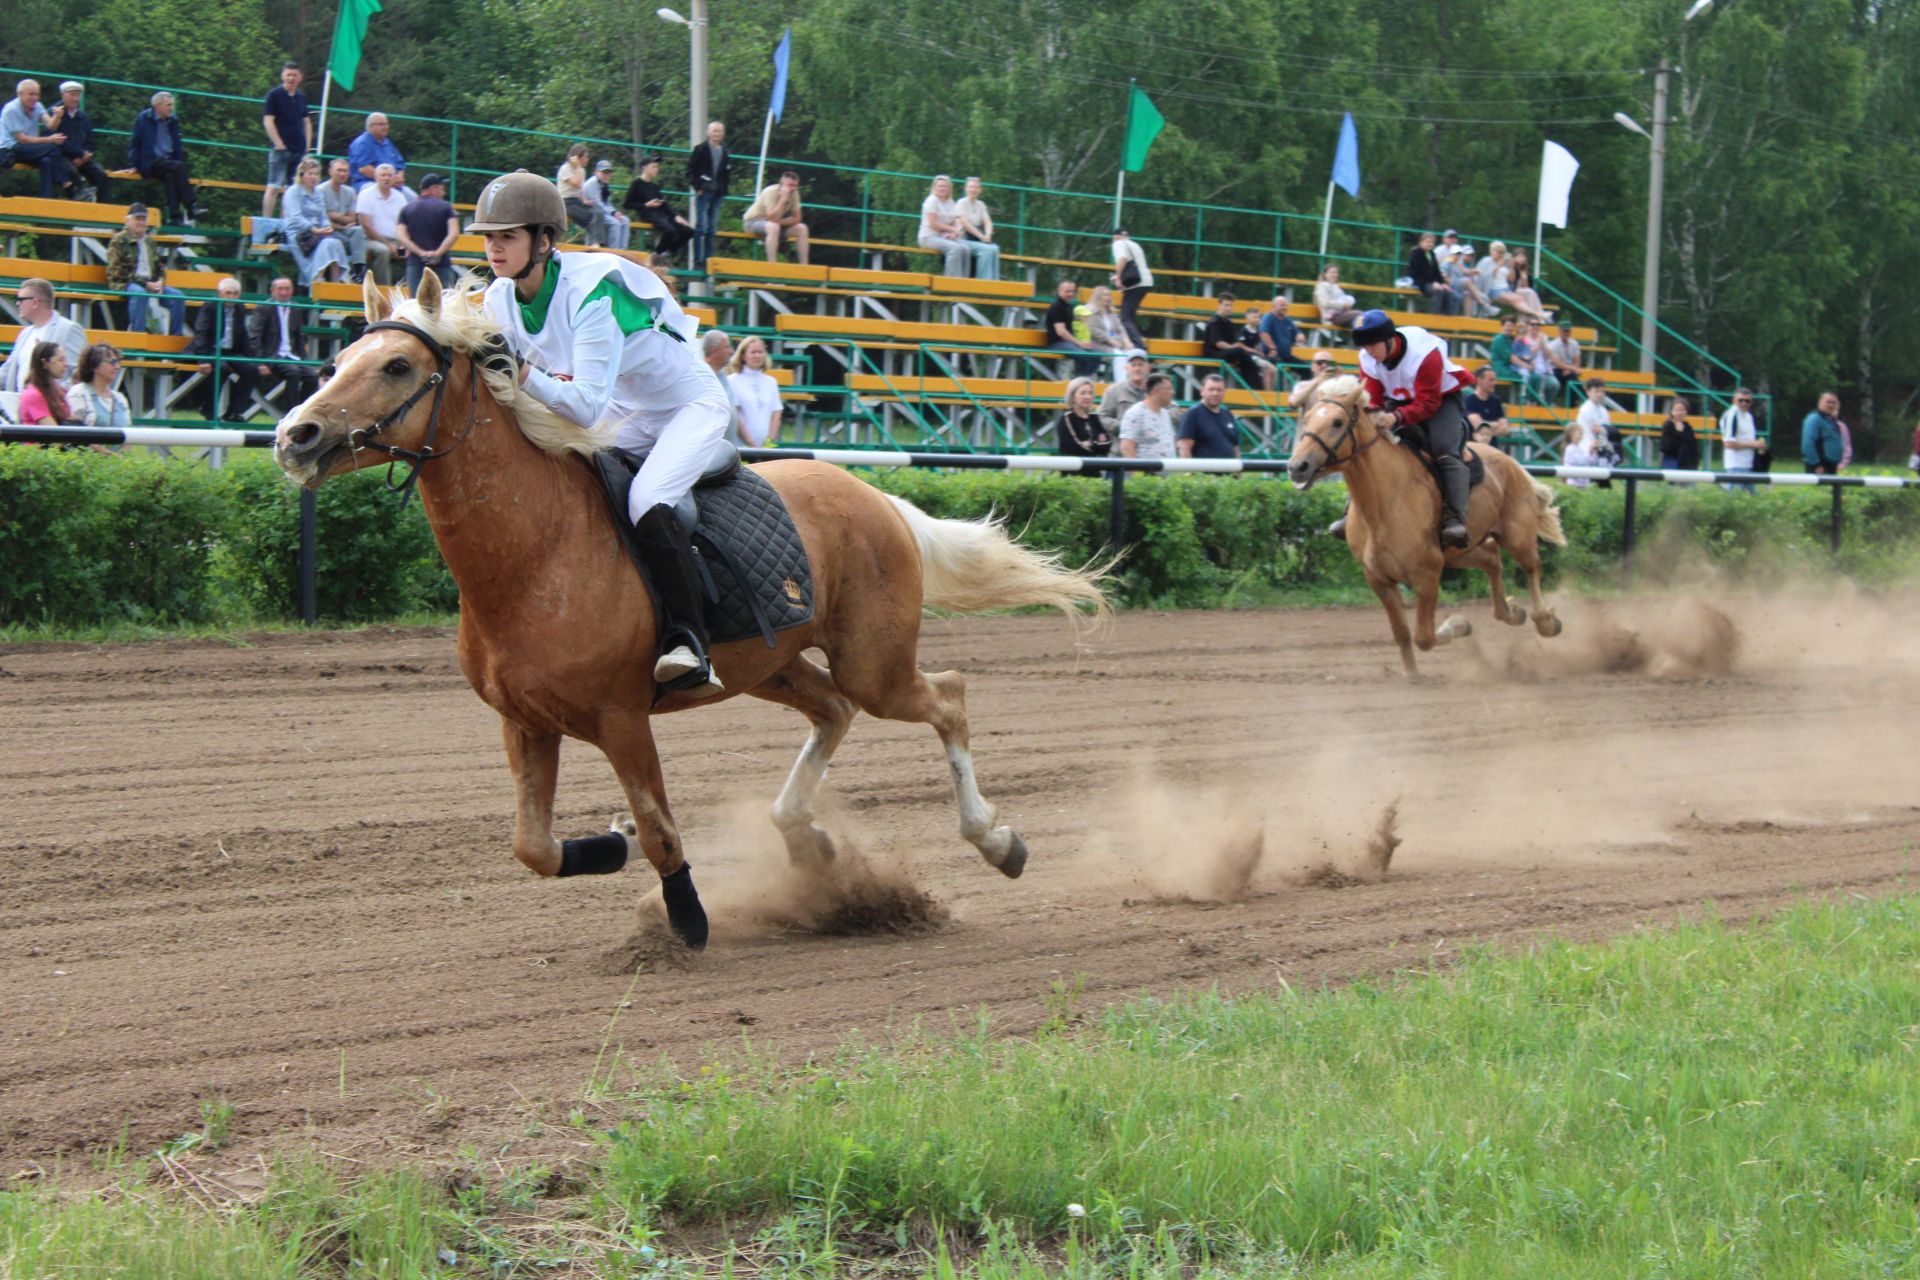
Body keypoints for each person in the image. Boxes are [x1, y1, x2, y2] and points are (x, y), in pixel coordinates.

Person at [468, 171, 731, 694]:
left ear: (543, 241)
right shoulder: (499, 297)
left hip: (688, 406)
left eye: (507, 237)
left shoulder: (591, 296)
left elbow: (584, 408)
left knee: (647, 499)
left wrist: (521, 372)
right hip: (628, 408)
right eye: (489, 237)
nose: (494, 248)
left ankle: (690, 641)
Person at [1351, 310, 1476, 548]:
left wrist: (1395, 418)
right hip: (1398, 401)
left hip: (1441, 400)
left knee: (1443, 450)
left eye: (1372, 346)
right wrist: (1377, 415)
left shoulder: (1425, 354)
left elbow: (1428, 404)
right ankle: (1351, 511)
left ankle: (1455, 519)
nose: (1369, 353)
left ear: (1390, 339)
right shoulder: (1367, 358)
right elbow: (1374, 398)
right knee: (1368, 447)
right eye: (1365, 347)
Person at [106, 203, 187, 335]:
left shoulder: (150, 242)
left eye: (143, 219)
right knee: (140, 294)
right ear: (128, 220)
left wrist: (160, 282)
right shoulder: (118, 240)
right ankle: (138, 337)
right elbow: (117, 271)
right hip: (125, 283)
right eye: (137, 219)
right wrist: (145, 284)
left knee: (178, 297)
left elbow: (159, 267)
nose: (141, 222)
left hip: (150, 283)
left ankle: (175, 339)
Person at [127, 91, 207, 225]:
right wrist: (133, 164)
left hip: (168, 161)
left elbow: (177, 145)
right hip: (150, 161)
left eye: (172, 105)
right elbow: (135, 142)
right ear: (158, 106)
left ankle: (174, 217)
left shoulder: (173, 121)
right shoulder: (144, 118)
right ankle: (191, 206)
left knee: (171, 176)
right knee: (177, 166)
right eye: (169, 105)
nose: (172, 108)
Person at [187, 277, 259, 421]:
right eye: (227, 293)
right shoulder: (210, 307)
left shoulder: (240, 308)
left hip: (231, 351)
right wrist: (203, 359)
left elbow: (243, 334)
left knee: (251, 369)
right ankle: (209, 409)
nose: (231, 297)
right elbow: (201, 333)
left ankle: (233, 411)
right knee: (222, 368)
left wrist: (252, 357)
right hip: (210, 349)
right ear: (219, 293)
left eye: (235, 293)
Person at [0, 278, 87, 394]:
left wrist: (54, 397)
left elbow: (79, 372)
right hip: (20, 403)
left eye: (21, 299)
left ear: (35, 302)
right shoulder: (25, 333)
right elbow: (8, 369)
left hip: (51, 405)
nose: (17, 303)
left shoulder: (68, 329)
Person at [3, 79, 80, 201]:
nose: (34, 98)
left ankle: (46, 200)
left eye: (37, 94)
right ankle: (69, 186)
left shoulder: (37, 106)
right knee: (52, 148)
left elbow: (51, 125)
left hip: (29, 149)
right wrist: (49, 139)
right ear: (20, 94)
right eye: (31, 94)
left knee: (47, 161)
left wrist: (57, 116)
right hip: (9, 149)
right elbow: (22, 139)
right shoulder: (11, 109)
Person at [282, 157, 353, 283]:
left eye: (316, 174)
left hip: (318, 233)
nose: (313, 177)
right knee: (327, 243)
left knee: (334, 242)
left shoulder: (318, 193)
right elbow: (295, 217)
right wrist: (313, 229)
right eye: (310, 174)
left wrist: (326, 227)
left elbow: (323, 216)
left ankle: (337, 281)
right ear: (302, 175)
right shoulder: (293, 191)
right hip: (299, 233)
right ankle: (316, 279)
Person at [247, 275, 316, 404]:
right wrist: (260, 362)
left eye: (287, 289)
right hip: (272, 356)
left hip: (291, 356)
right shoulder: (263, 308)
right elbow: (255, 336)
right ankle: (291, 412)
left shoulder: (296, 308)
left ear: (292, 290)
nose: (284, 292)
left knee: (313, 376)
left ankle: (302, 408)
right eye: (280, 289)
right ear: (272, 291)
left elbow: (299, 337)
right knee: (293, 372)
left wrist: (303, 359)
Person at [261, 62, 311, 218]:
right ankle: (266, 222)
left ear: (300, 78)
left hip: (298, 151)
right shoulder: (274, 95)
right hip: (280, 150)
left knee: (292, 191)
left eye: (294, 75)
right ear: (283, 75)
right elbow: (268, 121)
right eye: (288, 74)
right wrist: (279, 144)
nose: (291, 78)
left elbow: (307, 122)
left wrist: (307, 148)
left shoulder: (301, 97)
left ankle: (286, 225)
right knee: (273, 186)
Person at [625, 154, 694, 264]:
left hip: (661, 215)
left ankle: (667, 253)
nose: (656, 169)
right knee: (670, 230)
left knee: (689, 231)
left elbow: (664, 205)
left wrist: (676, 216)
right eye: (653, 166)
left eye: (657, 167)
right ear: (644, 168)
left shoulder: (654, 186)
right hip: (648, 214)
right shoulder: (636, 184)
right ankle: (657, 254)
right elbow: (628, 203)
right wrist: (646, 204)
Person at [48, 81, 110, 202]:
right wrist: (81, 153)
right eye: (72, 95)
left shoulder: (83, 117)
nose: (76, 99)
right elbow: (58, 140)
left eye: (78, 95)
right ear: (63, 95)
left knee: (101, 175)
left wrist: (86, 154)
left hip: (83, 157)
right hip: (61, 156)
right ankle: (77, 206)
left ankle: (103, 210)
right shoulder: (54, 114)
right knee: (71, 171)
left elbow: (91, 141)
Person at [397, 173, 459, 291]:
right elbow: (454, 234)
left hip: (416, 263)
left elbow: (400, 236)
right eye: (441, 189)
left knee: (416, 304)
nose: (443, 193)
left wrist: (421, 253)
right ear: (433, 188)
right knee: (445, 303)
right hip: (441, 263)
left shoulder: (406, 209)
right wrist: (438, 253)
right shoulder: (447, 207)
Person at [316, 158, 369, 281]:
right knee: (337, 239)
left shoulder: (349, 192)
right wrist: (341, 221)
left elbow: (352, 219)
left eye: (345, 171)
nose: (342, 174)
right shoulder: (321, 190)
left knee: (358, 230)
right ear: (330, 171)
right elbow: (322, 219)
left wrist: (334, 215)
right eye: (339, 170)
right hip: (327, 232)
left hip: (344, 230)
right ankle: (341, 278)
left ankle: (359, 270)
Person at [354, 164, 407, 285]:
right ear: (376, 177)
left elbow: (405, 225)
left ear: (394, 178)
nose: (386, 178)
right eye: (383, 175)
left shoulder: (400, 198)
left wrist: (405, 245)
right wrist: (388, 245)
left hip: (396, 240)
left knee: (415, 252)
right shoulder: (366, 194)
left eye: (389, 175)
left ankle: (409, 290)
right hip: (371, 240)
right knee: (383, 251)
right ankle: (383, 290)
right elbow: (366, 226)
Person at [687, 120, 730, 270]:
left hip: (718, 193)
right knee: (701, 227)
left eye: (719, 131)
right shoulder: (700, 149)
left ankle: (709, 260)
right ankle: (698, 261)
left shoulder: (725, 151)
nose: (717, 134)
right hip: (704, 191)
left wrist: (724, 190)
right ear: (708, 132)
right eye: (714, 131)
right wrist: (697, 186)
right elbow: (690, 170)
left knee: (712, 228)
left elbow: (726, 173)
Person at [742, 170, 809, 265]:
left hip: (773, 225)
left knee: (802, 228)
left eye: (795, 185)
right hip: (752, 222)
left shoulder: (794, 194)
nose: (793, 189)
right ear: (782, 185)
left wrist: (779, 221)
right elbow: (771, 216)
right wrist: (782, 200)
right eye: (790, 185)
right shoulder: (769, 192)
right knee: (773, 227)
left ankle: (804, 267)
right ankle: (772, 266)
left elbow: (797, 218)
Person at [726, 335, 783, 447]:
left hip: (766, 448)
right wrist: (751, 444)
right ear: (743, 355)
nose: (757, 355)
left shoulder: (771, 382)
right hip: (741, 446)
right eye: (753, 352)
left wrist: (769, 442)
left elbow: (776, 414)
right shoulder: (732, 381)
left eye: (760, 352)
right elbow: (735, 415)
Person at [1203, 292, 1266, 390]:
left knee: (1247, 358)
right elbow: (1218, 343)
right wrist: (1235, 347)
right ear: (1219, 305)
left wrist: (1237, 346)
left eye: (1230, 305)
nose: (1228, 308)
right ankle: (1255, 389)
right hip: (1214, 353)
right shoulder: (1214, 322)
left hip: (1227, 352)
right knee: (1241, 352)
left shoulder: (1228, 323)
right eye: (1226, 305)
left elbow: (1233, 342)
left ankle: (1256, 389)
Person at [1078, 283, 1142, 380]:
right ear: (1098, 296)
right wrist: (1110, 341)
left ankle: (1135, 382)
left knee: (1135, 353)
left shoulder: (1111, 313)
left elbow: (1120, 328)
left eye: (1108, 295)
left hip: (1116, 342)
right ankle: (1122, 384)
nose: (1107, 297)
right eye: (1104, 295)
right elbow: (1094, 330)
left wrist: (1127, 341)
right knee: (1119, 356)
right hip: (1098, 344)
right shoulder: (1089, 311)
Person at [918, 175, 974, 277]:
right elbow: (933, 224)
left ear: (949, 188)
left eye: (945, 186)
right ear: (934, 187)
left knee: (965, 249)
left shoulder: (950, 202)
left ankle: (964, 281)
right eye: (940, 186)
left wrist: (954, 233)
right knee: (954, 248)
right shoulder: (931, 200)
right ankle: (950, 281)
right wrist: (952, 229)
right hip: (928, 237)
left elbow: (955, 221)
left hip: (944, 237)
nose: (942, 188)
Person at [1042, 278, 1099, 378]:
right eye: (1067, 291)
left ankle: (1087, 379)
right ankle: (1082, 381)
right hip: (1056, 343)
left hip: (1068, 342)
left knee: (1096, 354)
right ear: (1059, 291)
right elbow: (1061, 332)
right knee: (1083, 355)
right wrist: (1079, 343)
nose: (1071, 294)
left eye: (1072, 291)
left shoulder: (1068, 306)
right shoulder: (1057, 306)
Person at [1178, 374, 1241, 459]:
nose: (1215, 393)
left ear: (1224, 392)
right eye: (1211, 389)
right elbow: (1185, 447)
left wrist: (1238, 470)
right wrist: (1189, 472)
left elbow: (1235, 447)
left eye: (1219, 390)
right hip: (1203, 471)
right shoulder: (1193, 414)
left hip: (1229, 470)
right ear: (1202, 391)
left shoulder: (1227, 414)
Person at [1110, 227, 1153, 347]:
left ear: (1114, 237)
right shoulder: (1134, 244)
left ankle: (1138, 345)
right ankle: (1135, 341)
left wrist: (1118, 277)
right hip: (1146, 281)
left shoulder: (1118, 244)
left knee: (1125, 318)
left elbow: (1122, 258)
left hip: (1135, 283)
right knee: (1129, 316)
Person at [1118, 373, 1177, 460]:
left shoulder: (1165, 414)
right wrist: (1138, 472)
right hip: (1146, 472)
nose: (1173, 393)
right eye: (1169, 389)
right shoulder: (1135, 413)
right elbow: (1126, 447)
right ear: (1156, 391)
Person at [71, 344, 131, 430]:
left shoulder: (120, 399)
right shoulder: (78, 394)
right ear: (95, 366)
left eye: (118, 362)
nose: (117, 367)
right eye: (112, 362)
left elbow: (128, 435)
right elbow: (74, 431)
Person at [555, 144, 604, 245]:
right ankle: (594, 244)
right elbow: (576, 183)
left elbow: (579, 188)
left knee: (599, 212)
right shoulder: (565, 168)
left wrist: (584, 200)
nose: (587, 159)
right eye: (586, 156)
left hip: (576, 200)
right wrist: (577, 166)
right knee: (589, 217)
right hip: (565, 202)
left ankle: (599, 242)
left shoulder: (581, 170)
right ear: (578, 157)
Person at [953, 177, 1000, 279]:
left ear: (979, 189)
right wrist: (982, 237)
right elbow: (965, 224)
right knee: (986, 250)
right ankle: (983, 282)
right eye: (970, 187)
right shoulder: (961, 203)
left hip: (976, 239)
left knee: (995, 248)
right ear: (966, 188)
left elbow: (988, 222)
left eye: (975, 187)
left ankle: (994, 282)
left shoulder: (980, 204)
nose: (973, 190)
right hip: (962, 239)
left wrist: (988, 235)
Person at [1054, 376, 1111, 460]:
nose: (1087, 397)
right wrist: (1097, 445)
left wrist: (1090, 444)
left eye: (1090, 393)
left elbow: (1107, 445)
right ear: (1072, 396)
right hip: (1073, 468)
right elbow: (1073, 448)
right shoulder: (1067, 418)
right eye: (1082, 393)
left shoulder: (1094, 418)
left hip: (1095, 467)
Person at [18, 344, 76, 425]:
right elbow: (52, 432)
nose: (66, 364)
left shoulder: (61, 391)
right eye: (60, 360)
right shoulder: (33, 395)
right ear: (45, 363)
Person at [701, 329, 740, 445]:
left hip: (728, 450)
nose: (731, 351)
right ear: (714, 351)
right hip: (710, 450)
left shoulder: (724, 377)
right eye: (727, 347)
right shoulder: (701, 377)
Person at [347, 112, 404, 189]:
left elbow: (400, 164)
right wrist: (387, 179)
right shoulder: (362, 143)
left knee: (411, 197)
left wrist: (399, 177)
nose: (386, 127)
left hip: (391, 183)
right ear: (371, 126)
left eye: (386, 124)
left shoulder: (387, 142)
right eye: (381, 124)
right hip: (367, 183)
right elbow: (363, 168)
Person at [1099, 354, 1149, 439]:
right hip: (1120, 447)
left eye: (1141, 365)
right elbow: (1102, 418)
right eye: (1133, 365)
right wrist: (1124, 426)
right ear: (1126, 368)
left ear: (1148, 368)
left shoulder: (1156, 390)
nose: (1137, 369)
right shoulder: (1113, 390)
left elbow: (1174, 411)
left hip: (1149, 448)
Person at [1718, 386, 1762, 485]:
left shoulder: (1748, 416)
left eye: (1747, 401)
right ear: (1734, 400)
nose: (1744, 403)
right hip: (1735, 466)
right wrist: (1754, 444)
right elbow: (1728, 443)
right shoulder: (1732, 415)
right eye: (1740, 400)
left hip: (1748, 465)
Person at [585, 160, 632, 251]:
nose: (606, 175)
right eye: (604, 172)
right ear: (596, 172)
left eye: (608, 172)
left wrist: (615, 212)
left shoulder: (604, 184)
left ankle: (622, 250)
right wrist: (613, 213)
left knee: (625, 220)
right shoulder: (592, 183)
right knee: (615, 223)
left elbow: (608, 204)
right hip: (594, 213)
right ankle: (613, 251)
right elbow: (597, 204)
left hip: (604, 212)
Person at [1407, 232, 1456, 315]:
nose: (1429, 244)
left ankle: (1448, 317)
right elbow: (1420, 272)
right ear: (1421, 242)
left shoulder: (1432, 254)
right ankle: (1434, 316)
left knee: (1447, 291)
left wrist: (1442, 283)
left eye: (1432, 242)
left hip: (1431, 282)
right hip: (1420, 282)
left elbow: (1436, 271)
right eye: (1427, 242)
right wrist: (1433, 283)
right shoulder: (1416, 253)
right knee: (1438, 291)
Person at [1575, 378, 1621, 464]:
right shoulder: (1586, 409)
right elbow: (1595, 430)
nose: (1600, 394)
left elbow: (1605, 430)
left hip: (1600, 448)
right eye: (1596, 391)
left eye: (1602, 391)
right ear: (1588, 392)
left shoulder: (1603, 410)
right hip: (1587, 448)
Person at [1514, 319, 1560, 405]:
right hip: (1530, 371)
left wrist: (1543, 344)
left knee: (1554, 384)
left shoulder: (1544, 338)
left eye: (1538, 325)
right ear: (1528, 326)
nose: (1535, 327)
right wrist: (1539, 344)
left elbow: (1550, 356)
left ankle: (1545, 405)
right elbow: (1528, 355)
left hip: (1545, 371)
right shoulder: (1524, 338)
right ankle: (1530, 403)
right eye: (1533, 324)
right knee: (1536, 378)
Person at [1801, 391, 1846, 475]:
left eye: (1834, 402)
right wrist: (1816, 464)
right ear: (1820, 402)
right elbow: (1808, 443)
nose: (1831, 405)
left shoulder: (1830, 420)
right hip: (1819, 466)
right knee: (1819, 488)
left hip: (1832, 465)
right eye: (1828, 402)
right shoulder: (1814, 419)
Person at [1463, 365, 1509, 445]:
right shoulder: (1470, 400)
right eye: (1490, 380)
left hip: (1492, 448)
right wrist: (1496, 425)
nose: (1494, 383)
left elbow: (1505, 429)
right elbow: (1479, 425)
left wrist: (1485, 432)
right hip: (1476, 449)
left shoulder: (1496, 401)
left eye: (1495, 380)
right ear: (1479, 380)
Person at [1237, 303, 1279, 391]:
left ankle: (1269, 393)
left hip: (1257, 356)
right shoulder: (1244, 330)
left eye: (1258, 317)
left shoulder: (1258, 332)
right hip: (1249, 357)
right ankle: (1269, 394)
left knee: (1272, 370)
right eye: (1254, 317)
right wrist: (1255, 351)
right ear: (1247, 317)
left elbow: (1258, 346)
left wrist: (1263, 353)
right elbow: (1241, 346)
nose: (1257, 319)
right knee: (1271, 369)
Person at [1258, 294, 1302, 376]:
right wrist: (1272, 348)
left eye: (1286, 305)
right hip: (1271, 355)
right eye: (1282, 305)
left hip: (1286, 356)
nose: (1284, 308)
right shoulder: (1268, 317)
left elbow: (1297, 333)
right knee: (1280, 368)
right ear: (1274, 306)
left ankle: (1303, 387)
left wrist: (1300, 336)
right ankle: (1280, 389)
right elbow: (1263, 333)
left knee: (1305, 368)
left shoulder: (1288, 320)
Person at [1313, 264, 1361, 330]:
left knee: (1359, 319)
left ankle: (1362, 338)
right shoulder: (1321, 286)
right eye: (1332, 272)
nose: (1335, 275)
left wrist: (1347, 304)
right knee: (1359, 315)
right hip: (1330, 317)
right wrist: (1343, 305)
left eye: (1336, 272)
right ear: (1325, 274)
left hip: (1340, 314)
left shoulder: (1335, 286)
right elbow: (1324, 303)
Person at [1659, 396, 1700, 470]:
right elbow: (1665, 447)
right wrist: (1678, 433)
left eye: (1682, 410)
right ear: (1672, 412)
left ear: (1686, 412)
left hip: (1688, 464)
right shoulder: (1668, 426)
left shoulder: (1688, 427)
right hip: (1672, 462)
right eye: (1677, 410)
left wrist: (1696, 463)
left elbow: (1693, 447)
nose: (1680, 413)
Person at [1560, 422, 1602, 487]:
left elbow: (1591, 462)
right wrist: (1589, 449)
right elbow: (1581, 461)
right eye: (1579, 434)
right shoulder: (1570, 449)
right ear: (1572, 434)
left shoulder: (1580, 448)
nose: (1581, 436)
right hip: (1573, 483)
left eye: (1581, 434)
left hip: (1584, 483)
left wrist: (1594, 451)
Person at [1544, 320, 1582, 387]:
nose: (1566, 333)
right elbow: (1557, 364)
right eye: (1564, 331)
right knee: (1561, 377)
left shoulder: (1574, 343)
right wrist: (1572, 369)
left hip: (1569, 370)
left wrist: (1570, 370)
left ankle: (1580, 397)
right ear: (1559, 331)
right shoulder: (1553, 345)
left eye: (1567, 331)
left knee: (1573, 379)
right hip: (1556, 370)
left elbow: (1577, 360)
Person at [1487, 316, 1520, 389]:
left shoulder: (1508, 339)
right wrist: (1526, 366)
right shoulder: (1500, 339)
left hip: (1506, 367)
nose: (1510, 328)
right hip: (1500, 369)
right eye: (1507, 326)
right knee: (1522, 375)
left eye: (1512, 326)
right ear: (1502, 326)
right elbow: (1511, 358)